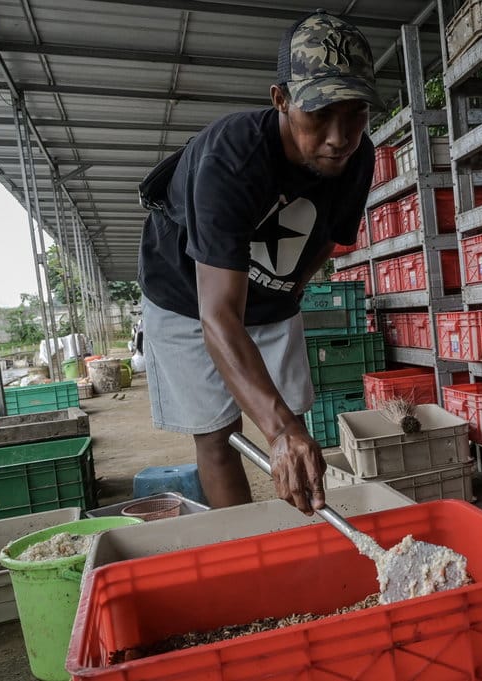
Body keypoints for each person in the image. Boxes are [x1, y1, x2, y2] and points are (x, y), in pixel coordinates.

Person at [137, 10, 380, 516]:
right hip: (188, 296)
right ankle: (245, 546)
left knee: (293, 427)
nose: (339, 136)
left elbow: (326, 242)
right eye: (319, 112)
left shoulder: (359, 158)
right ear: (281, 99)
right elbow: (218, 315)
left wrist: (285, 298)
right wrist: (278, 430)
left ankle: (302, 537)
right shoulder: (231, 157)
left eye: (355, 112)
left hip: (269, 294)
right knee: (219, 434)